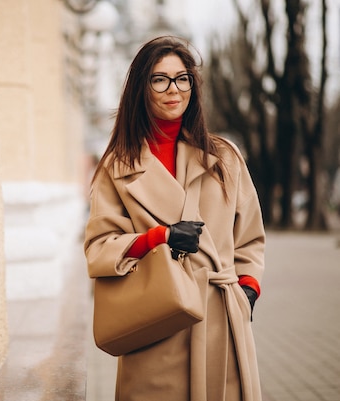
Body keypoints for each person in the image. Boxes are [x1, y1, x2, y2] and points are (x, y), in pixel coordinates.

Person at [84, 36, 265, 401]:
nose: (173, 89)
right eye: (160, 79)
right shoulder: (118, 167)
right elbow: (98, 249)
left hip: (220, 323)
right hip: (157, 323)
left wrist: (247, 289)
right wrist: (159, 238)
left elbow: (250, 236)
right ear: (141, 87)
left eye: (182, 78)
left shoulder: (224, 158)